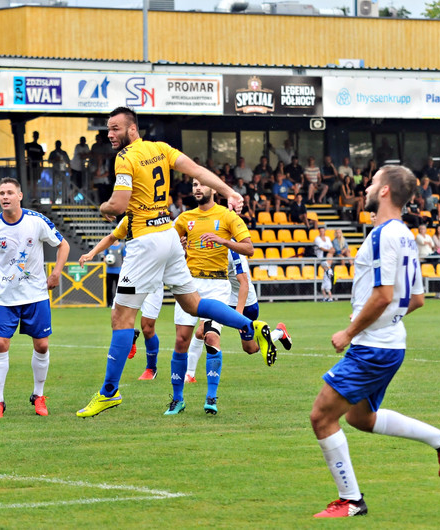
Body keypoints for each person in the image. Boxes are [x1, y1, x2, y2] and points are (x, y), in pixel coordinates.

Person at [76, 107, 277, 418]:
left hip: (146, 243)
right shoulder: (160, 149)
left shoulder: (125, 157)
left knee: (121, 318)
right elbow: (197, 170)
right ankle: (252, 326)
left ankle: (108, 392)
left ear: (132, 130)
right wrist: (229, 191)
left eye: (115, 128)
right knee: (195, 304)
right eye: (108, 129)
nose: (110, 134)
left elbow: (118, 205)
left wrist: (103, 205)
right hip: (168, 233)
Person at [309, 165, 440, 518]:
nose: (367, 185)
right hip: (390, 343)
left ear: (384, 192)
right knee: (361, 418)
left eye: (374, 181)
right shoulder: (406, 235)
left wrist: (351, 332)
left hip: (372, 347)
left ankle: (351, 500)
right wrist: (380, 319)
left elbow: (383, 296)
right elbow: (415, 299)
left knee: (321, 416)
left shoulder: (383, 235)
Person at [166, 179, 289, 415]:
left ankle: (211, 398)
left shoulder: (227, 216)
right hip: (189, 283)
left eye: (202, 184)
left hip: (217, 285)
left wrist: (223, 241)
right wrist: (179, 246)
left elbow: (250, 248)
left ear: (213, 189)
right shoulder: (184, 218)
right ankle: (178, 400)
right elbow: (169, 248)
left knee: (211, 337)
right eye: (194, 185)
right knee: (182, 340)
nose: (198, 188)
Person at [0, 178, 70, 418]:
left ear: (20, 196)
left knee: (42, 345)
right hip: (5, 298)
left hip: (36, 295)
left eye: (9, 192)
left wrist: (57, 272)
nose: (4, 197)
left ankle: (39, 395)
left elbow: (63, 245)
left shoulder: (36, 221)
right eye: (1, 193)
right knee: (0, 344)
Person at [184, 248, 292, 410]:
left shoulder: (233, 250)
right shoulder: (208, 245)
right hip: (222, 297)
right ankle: (190, 374)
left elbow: (244, 283)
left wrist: (239, 317)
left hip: (245, 302)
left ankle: (279, 333)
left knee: (250, 348)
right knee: (202, 332)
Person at [78, 221, 161, 380]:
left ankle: (151, 368)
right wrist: (91, 253)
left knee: (147, 327)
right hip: (131, 278)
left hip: (153, 280)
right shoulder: (129, 218)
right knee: (117, 320)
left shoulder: (161, 220)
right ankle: (111, 384)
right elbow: (111, 237)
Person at [24, 131, 45, 198]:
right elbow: (21, 148)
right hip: (29, 166)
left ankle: (34, 196)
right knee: (28, 182)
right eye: (35, 135)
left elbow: (41, 158)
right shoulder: (28, 145)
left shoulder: (39, 147)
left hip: (36, 166)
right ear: (33, 136)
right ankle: (26, 197)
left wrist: (42, 166)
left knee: (35, 183)